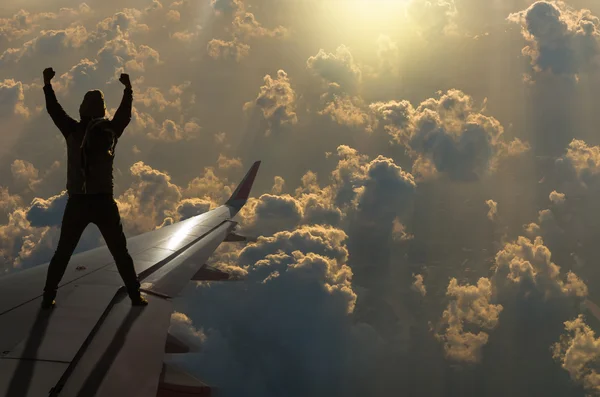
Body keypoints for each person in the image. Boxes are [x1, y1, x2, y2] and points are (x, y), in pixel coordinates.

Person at [41, 67, 148, 309]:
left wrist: (47, 84)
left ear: (81, 110)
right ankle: (135, 296)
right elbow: (125, 115)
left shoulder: (73, 130)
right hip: (103, 203)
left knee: (63, 253)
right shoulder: (110, 131)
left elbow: (53, 110)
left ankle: (48, 297)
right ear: (101, 110)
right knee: (120, 252)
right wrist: (128, 89)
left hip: (78, 202)